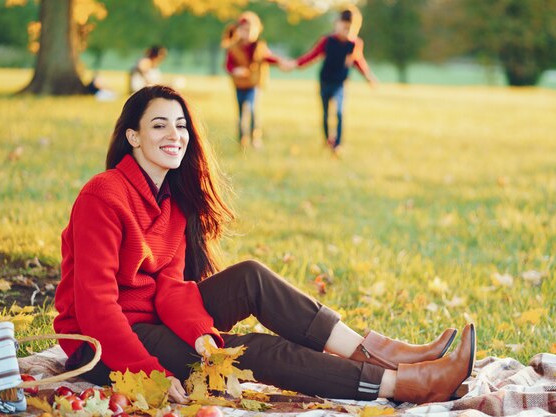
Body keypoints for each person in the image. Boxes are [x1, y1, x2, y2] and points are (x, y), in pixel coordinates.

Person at [53, 85, 476, 405]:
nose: (175, 135)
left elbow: (171, 287)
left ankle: (384, 353)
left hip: (154, 322)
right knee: (250, 351)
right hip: (105, 346)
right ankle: (403, 384)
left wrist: (201, 335)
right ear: (133, 137)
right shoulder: (103, 196)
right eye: (159, 125)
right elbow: (96, 308)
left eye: (181, 125)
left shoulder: (171, 202)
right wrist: (150, 374)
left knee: (250, 276)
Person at [289, 7, 377, 156]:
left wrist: (368, 77)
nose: (348, 32)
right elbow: (313, 55)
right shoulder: (327, 41)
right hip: (325, 81)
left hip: (340, 83)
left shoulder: (354, 44)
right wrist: (296, 64)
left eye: (352, 29)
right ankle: (326, 140)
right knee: (325, 113)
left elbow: (358, 61)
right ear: (338, 24)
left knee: (339, 112)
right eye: (345, 27)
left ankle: (337, 144)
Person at [222, 11, 284, 149]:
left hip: (254, 84)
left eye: (251, 30)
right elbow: (228, 65)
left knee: (251, 110)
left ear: (257, 31)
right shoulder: (233, 47)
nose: (248, 33)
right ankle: (241, 139)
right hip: (239, 85)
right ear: (239, 30)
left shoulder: (259, 46)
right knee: (240, 113)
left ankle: (255, 138)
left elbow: (268, 58)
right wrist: (235, 70)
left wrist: (280, 62)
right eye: (245, 30)